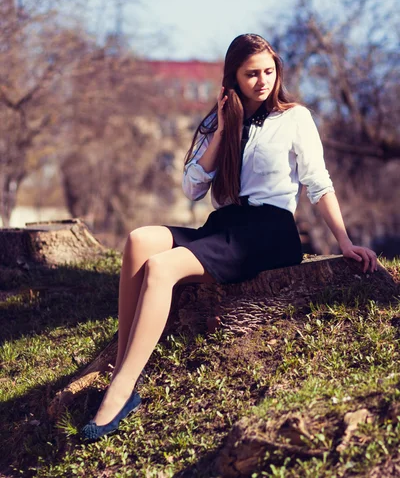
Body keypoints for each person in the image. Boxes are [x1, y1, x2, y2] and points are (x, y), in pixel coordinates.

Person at [81, 33, 377, 440]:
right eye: (251, 73)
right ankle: (120, 367)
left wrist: (344, 243)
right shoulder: (218, 122)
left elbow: (318, 184)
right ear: (233, 78)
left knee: (162, 267)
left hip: (269, 232)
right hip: (226, 227)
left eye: (269, 71)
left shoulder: (295, 118)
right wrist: (221, 132)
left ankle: (122, 389)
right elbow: (192, 189)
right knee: (138, 241)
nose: (262, 81)